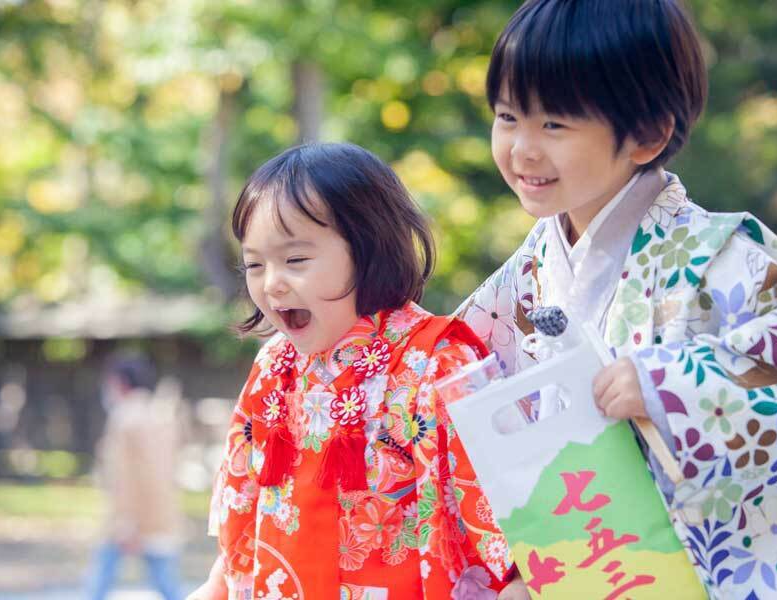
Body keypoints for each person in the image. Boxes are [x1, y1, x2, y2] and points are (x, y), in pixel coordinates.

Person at [457, 1, 777, 598]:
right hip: (587, 566)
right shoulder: (527, 271)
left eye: (554, 124)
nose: (522, 149)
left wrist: (670, 386)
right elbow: (457, 372)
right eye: (508, 117)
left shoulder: (725, 257)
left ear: (647, 134)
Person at [187, 142, 524, 599]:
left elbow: (501, 516)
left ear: (369, 248)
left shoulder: (435, 362)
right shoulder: (273, 367)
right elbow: (246, 507)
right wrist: (216, 586)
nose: (271, 284)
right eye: (254, 264)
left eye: (295, 260)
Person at [88, 353, 184, 600]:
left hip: (128, 518)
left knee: (100, 579)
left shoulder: (124, 418)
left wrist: (126, 521)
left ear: (119, 382)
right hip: (162, 514)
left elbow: (124, 477)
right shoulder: (161, 415)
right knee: (167, 583)